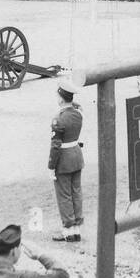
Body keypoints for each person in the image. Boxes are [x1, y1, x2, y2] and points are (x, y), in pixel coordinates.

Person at [49, 85, 84, 242]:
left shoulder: (59, 119)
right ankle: (77, 229)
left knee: (64, 195)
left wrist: (51, 166)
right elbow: (77, 111)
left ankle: (68, 231)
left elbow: (55, 146)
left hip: (63, 161)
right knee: (76, 193)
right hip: (77, 156)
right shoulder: (78, 115)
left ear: (61, 98)